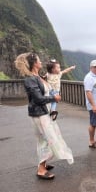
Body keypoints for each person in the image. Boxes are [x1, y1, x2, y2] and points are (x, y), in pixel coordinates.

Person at [14, 52, 74, 180]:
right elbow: (38, 99)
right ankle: (41, 169)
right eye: (39, 60)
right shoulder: (30, 79)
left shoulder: (38, 77)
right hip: (39, 114)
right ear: (34, 63)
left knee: (45, 139)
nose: (41, 62)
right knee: (47, 139)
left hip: (43, 113)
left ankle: (44, 163)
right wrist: (54, 97)